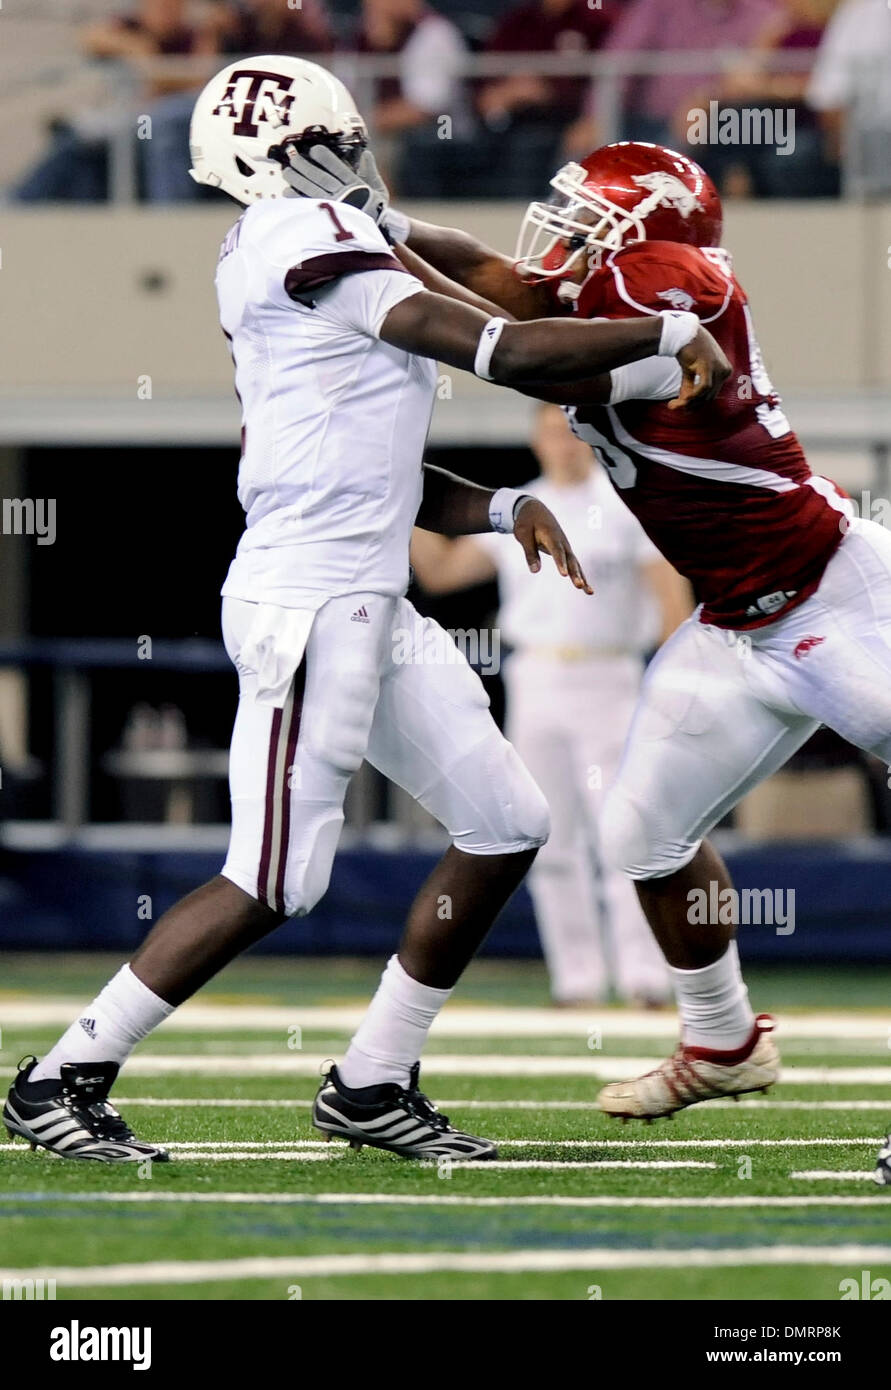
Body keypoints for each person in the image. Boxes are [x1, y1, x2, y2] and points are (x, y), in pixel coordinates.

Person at [3, 62, 728, 1165]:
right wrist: (668, 341)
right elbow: (509, 350)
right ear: (283, 156)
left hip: (362, 592)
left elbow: (374, 461)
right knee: (276, 876)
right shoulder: (300, 244)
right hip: (310, 602)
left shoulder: (314, 241)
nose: (355, 155)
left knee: (506, 822)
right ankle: (61, 1076)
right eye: (330, 141)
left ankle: (372, 1079)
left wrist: (498, 504)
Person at [282, 135, 891, 1183]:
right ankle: (724, 1041)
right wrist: (382, 220)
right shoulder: (622, 288)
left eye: (589, 220)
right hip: (739, 621)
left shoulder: (669, 318)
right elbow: (500, 279)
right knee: (643, 834)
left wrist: (366, 258)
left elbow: (509, 338)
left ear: (648, 244)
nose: (560, 235)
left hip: (841, 597)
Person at [411, 403, 686, 1005]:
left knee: (621, 827)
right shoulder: (517, 507)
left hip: (610, 674)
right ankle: (577, 980)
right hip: (538, 676)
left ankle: (644, 974)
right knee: (549, 834)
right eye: (551, 432)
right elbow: (442, 572)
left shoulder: (621, 507)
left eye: (571, 432)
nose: (563, 443)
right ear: (536, 440)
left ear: (587, 437)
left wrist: (672, 677)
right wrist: (394, 496)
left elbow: (669, 592)